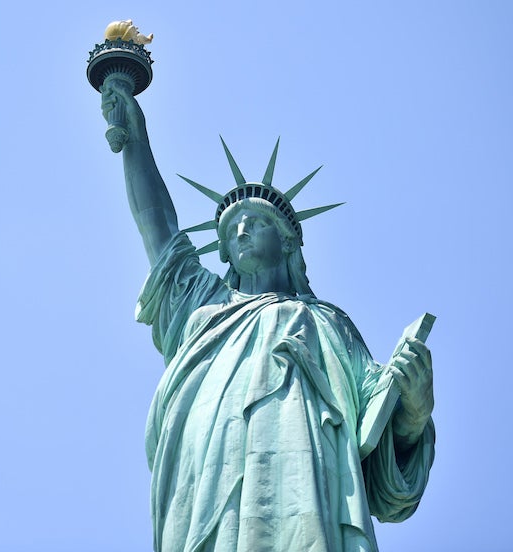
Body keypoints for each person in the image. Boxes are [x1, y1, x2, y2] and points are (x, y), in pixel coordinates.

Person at [100, 80, 435, 552]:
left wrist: (414, 415)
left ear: (290, 241)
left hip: (303, 478)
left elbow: (375, 431)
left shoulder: (327, 324)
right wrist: (135, 141)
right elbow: (158, 228)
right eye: (230, 229)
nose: (240, 231)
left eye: (255, 222)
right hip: (204, 471)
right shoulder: (202, 307)